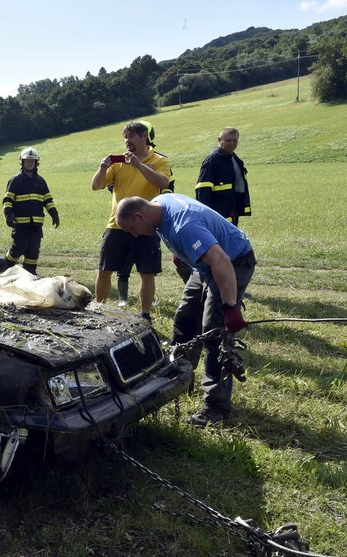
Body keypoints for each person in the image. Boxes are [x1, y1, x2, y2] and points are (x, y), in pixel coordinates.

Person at [115, 194, 255, 427]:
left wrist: (230, 307)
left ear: (140, 215)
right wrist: (181, 253)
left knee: (214, 332)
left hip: (233, 262)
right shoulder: (159, 204)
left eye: (132, 228)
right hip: (203, 266)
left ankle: (216, 408)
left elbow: (221, 260)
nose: (134, 235)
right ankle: (180, 381)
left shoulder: (184, 227)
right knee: (185, 320)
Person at [91, 121, 173, 321]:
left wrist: (138, 165)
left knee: (147, 273)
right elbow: (96, 186)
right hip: (117, 225)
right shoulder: (118, 163)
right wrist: (102, 168)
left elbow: (163, 183)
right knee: (104, 270)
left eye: (131, 137)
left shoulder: (160, 160)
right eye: (125, 138)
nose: (127, 142)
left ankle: (145, 315)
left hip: (146, 227)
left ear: (144, 136)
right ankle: (97, 311)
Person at [2, 147, 59, 275]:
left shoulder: (41, 181)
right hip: (20, 224)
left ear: (36, 162)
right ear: (22, 162)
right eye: (27, 161)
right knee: (18, 248)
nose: (29, 163)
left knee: (33, 251)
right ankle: (6, 269)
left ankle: (29, 275)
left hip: (36, 225)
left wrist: (54, 214)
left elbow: (48, 200)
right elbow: (7, 200)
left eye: (32, 161)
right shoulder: (15, 181)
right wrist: (8, 215)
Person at [196, 127, 250, 226]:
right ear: (219, 140)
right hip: (218, 212)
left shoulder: (234, 158)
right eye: (228, 140)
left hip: (231, 209)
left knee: (231, 238)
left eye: (235, 140)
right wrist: (207, 214)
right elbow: (202, 189)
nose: (232, 143)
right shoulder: (213, 159)